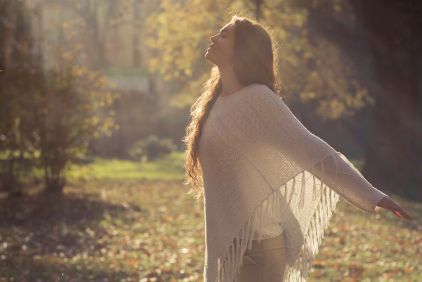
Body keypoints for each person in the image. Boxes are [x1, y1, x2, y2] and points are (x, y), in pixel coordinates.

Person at [183, 14, 412, 282]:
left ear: (243, 50)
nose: (213, 38)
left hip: (259, 250)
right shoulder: (215, 102)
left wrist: (372, 195)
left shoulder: (258, 99)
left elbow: (311, 149)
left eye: (223, 35)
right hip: (233, 246)